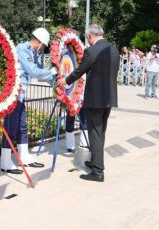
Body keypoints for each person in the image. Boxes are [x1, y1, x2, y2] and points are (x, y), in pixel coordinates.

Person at [57, 24, 119, 182]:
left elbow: (79, 71)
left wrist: (66, 80)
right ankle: (94, 161)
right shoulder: (114, 49)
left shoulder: (91, 51)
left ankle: (98, 172)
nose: (88, 41)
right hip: (109, 98)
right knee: (100, 132)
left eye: (88, 38)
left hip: (95, 99)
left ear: (91, 36)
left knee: (95, 133)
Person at [1, 28, 57, 174]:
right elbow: (33, 71)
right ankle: (5, 162)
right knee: (11, 127)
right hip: (13, 94)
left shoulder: (34, 52)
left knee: (22, 126)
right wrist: (51, 71)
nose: (43, 48)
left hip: (21, 94)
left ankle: (24, 157)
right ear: (38, 42)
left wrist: (57, 83)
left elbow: (40, 75)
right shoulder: (22, 49)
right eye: (43, 45)